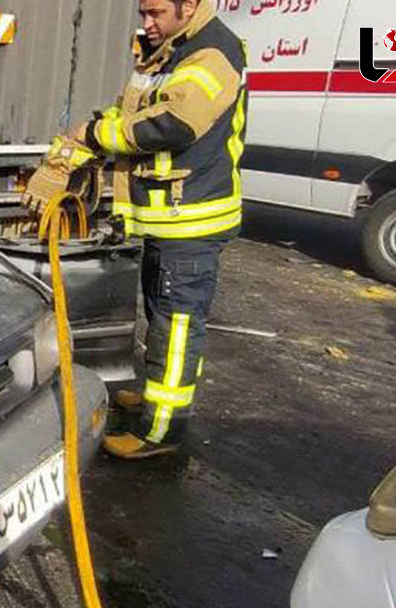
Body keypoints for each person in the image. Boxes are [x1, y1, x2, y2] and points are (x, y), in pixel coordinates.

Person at [23, 0, 247, 459]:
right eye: (143, 12)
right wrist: (83, 142)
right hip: (165, 219)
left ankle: (161, 431)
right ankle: (154, 398)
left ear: (190, 6)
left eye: (156, 12)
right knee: (159, 313)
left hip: (191, 220)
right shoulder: (166, 50)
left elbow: (173, 124)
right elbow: (132, 109)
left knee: (176, 324)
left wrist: (97, 137)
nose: (147, 23)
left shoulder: (212, 52)